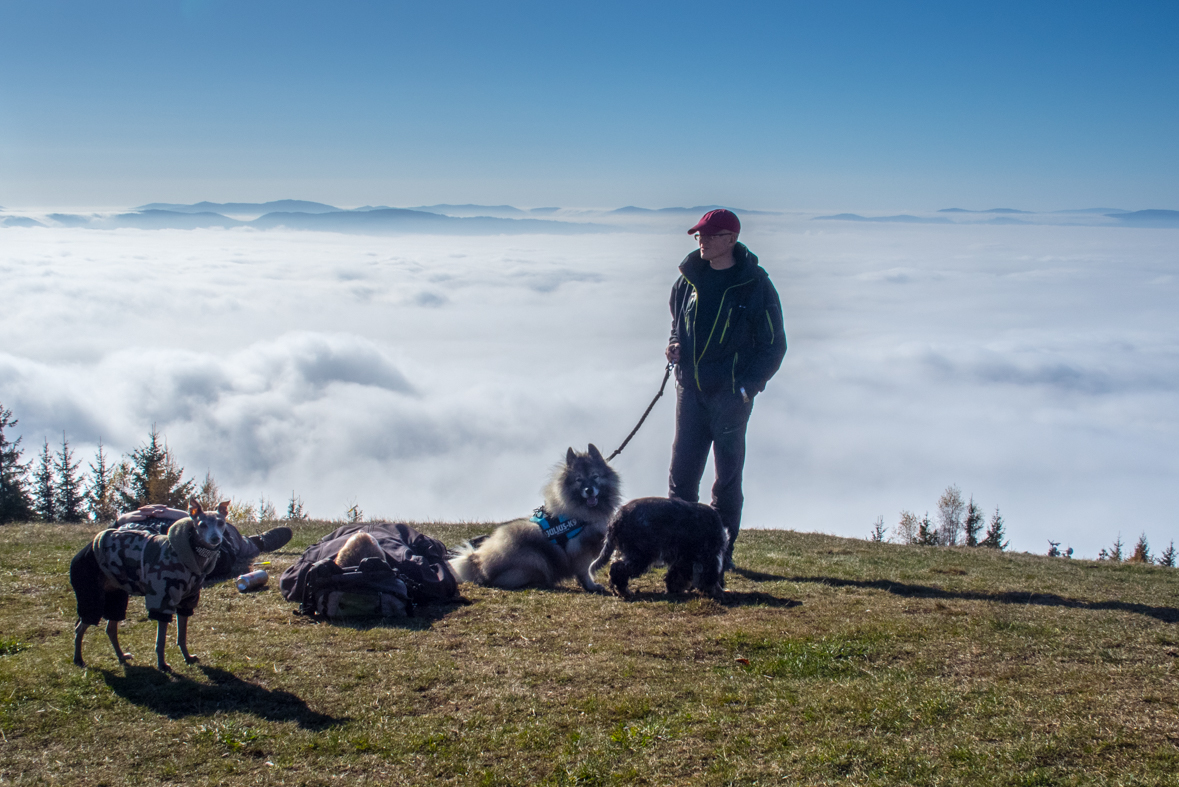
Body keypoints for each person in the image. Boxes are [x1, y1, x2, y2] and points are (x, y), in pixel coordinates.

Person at [666, 209, 786, 568]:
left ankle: (720, 554)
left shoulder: (755, 285)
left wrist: (747, 389)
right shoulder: (686, 281)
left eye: (709, 235)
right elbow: (676, 326)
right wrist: (674, 346)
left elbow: (774, 345)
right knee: (682, 478)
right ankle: (680, 552)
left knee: (726, 482)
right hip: (690, 392)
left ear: (730, 240)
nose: (700, 241)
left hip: (730, 399)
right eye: (698, 235)